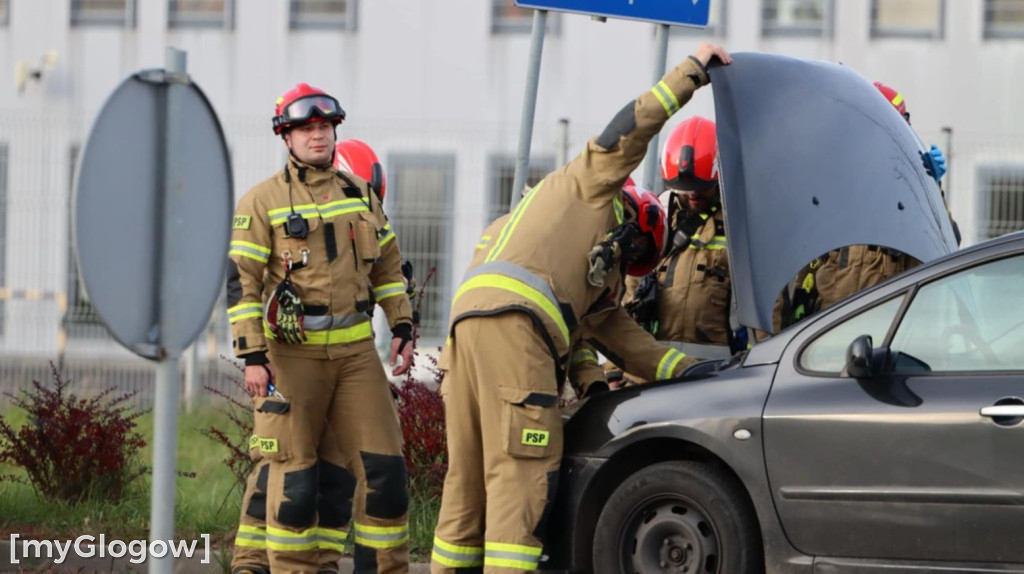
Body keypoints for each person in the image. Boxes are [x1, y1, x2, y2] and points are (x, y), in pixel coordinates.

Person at [430, 43, 731, 574]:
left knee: (467, 481)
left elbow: (613, 333)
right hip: (515, 334)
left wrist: (685, 371)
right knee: (522, 475)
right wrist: (692, 73)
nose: (624, 271)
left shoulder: (537, 222)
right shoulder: (591, 187)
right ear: (636, 221)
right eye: (634, 257)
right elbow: (630, 128)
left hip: (465, 337)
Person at [226, 82, 414, 574]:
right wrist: (253, 357)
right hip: (292, 358)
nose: (318, 135)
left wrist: (402, 324)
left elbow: (388, 268)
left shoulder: (360, 194)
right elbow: (242, 284)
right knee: (295, 483)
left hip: (356, 357)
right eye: (306, 128)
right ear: (286, 137)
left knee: (386, 475)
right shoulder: (261, 201)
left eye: (325, 126)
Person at [809, 81, 957, 314]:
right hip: (830, 323)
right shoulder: (836, 185)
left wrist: (931, 188)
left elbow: (946, 243)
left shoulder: (911, 189)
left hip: (889, 323)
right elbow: (804, 259)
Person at [623, 116, 739, 363]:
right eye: (686, 188)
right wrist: (615, 368)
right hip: (653, 369)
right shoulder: (657, 214)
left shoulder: (739, 223)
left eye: (702, 187)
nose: (693, 194)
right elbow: (628, 292)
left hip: (717, 373)